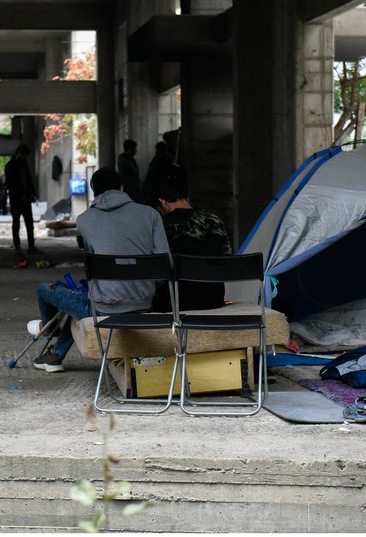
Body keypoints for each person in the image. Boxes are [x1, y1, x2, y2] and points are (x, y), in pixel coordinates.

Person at [29, 167, 170, 373]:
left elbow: (94, 258)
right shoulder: (150, 214)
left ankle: (49, 329)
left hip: (103, 308)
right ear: (122, 188)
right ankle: (54, 356)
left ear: (94, 192)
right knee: (82, 305)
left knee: (45, 289)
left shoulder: (84, 220)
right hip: (143, 303)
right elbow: (166, 265)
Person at [151, 164, 232, 312]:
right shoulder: (214, 220)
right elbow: (226, 260)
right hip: (212, 300)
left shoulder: (162, 226)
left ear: (163, 202)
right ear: (187, 197)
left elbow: (158, 270)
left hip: (173, 302)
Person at [4, 144, 38, 254]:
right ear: (19, 154)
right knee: (16, 223)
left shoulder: (24, 164)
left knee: (29, 223)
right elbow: (11, 184)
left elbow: (28, 180)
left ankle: (31, 246)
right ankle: (17, 246)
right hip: (16, 199)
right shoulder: (10, 166)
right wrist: (21, 195)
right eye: (25, 155)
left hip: (26, 199)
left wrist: (32, 193)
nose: (26, 158)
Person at [141, 141, 175, 209]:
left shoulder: (161, 158)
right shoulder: (161, 158)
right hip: (158, 187)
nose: (156, 151)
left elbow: (153, 174)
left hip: (158, 187)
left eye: (157, 149)